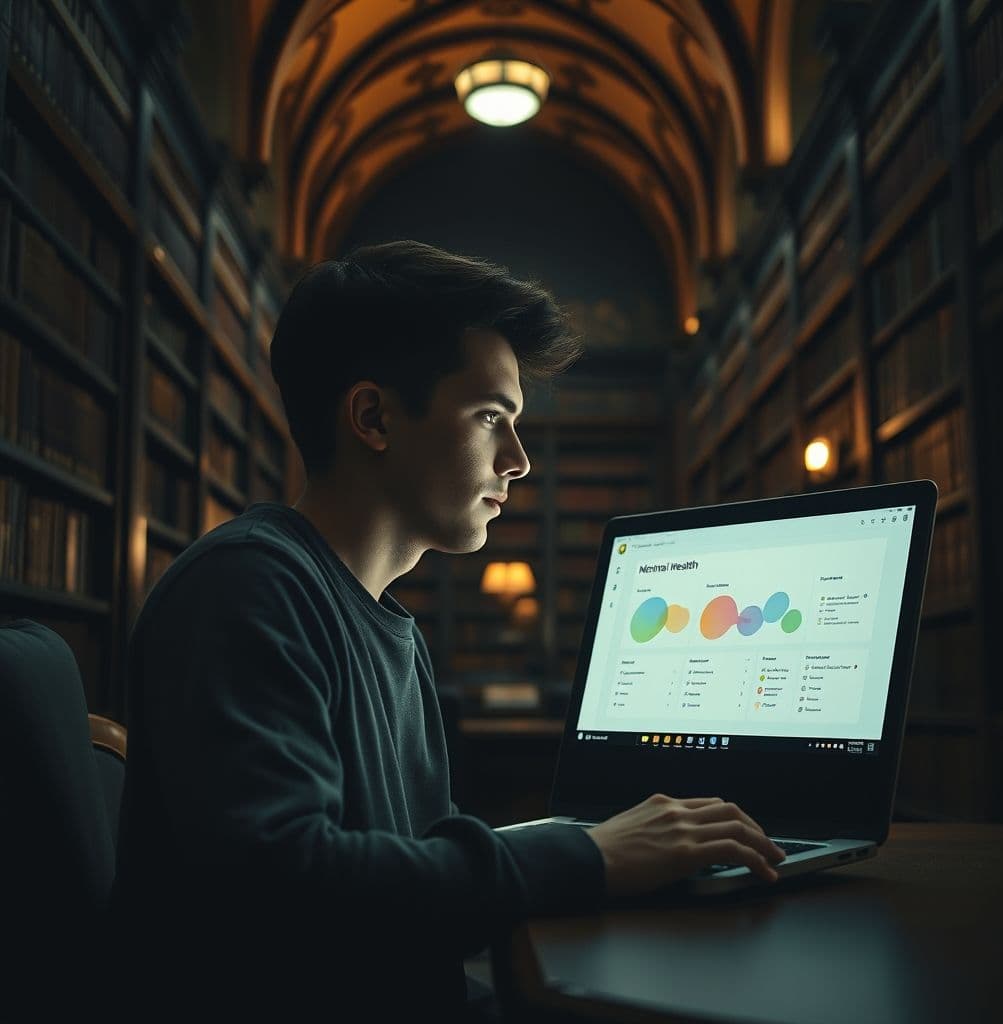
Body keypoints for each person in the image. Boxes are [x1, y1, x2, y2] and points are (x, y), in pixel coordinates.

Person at [111, 240, 785, 1020]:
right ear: (373, 417)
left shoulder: (386, 626)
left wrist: (600, 848)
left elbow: (412, 864)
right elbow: (287, 889)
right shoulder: (246, 590)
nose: (519, 460)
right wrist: (588, 855)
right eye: (491, 417)